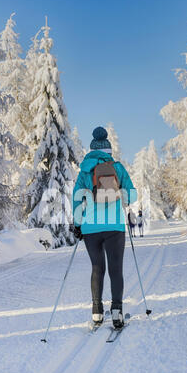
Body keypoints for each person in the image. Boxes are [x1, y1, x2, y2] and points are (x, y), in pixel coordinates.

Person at [73, 127, 137, 329]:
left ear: (91, 150)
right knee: (115, 269)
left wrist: (77, 224)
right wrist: (123, 199)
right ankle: (117, 312)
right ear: (109, 151)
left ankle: (97, 313)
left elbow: (76, 199)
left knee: (97, 268)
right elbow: (132, 195)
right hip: (114, 227)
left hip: (91, 228)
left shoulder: (85, 170)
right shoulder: (117, 168)